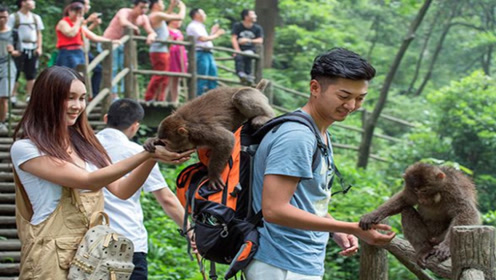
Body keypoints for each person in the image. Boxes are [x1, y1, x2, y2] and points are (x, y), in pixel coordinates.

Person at [10, 66, 193, 279]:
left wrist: (153, 157)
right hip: (51, 257)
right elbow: (88, 181)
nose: (77, 106)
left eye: (82, 98)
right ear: (47, 98)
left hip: (92, 258)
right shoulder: (26, 148)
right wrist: (146, 154)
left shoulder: (87, 144)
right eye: (70, 98)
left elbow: (121, 190)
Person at [244, 48, 396, 280]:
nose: (352, 105)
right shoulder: (297, 136)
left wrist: (334, 226)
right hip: (282, 265)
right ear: (315, 88)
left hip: (296, 261)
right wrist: (351, 227)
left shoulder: (318, 132)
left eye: (360, 98)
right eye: (344, 96)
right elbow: (274, 209)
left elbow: (303, 202)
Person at [96, 98, 189, 279]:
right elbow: (166, 199)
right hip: (128, 241)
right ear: (135, 126)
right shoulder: (138, 153)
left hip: (89, 243)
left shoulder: (82, 148)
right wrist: (190, 231)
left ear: (106, 118)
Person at [103, 0, 157, 98]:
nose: (143, 10)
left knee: (128, 68)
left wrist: (151, 36)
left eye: (146, 8)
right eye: (141, 7)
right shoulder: (124, 11)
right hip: (110, 43)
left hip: (123, 45)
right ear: (135, 6)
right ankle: (112, 95)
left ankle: (126, 94)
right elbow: (123, 22)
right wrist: (135, 28)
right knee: (112, 68)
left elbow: (151, 32)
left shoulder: (143, 18)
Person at [55, 3, 118, 72]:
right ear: (69, 11)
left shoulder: (79, 25)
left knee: (82, 74)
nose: (77, 14)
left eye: (80, 12)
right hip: (67, 52)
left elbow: (94, 37)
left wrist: (111, 41)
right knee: (68, 75)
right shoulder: (63, 22)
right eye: (75, 12)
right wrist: (79, 22)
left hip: (78, 51)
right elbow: (71, 33)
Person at [144, 0, 185, 102]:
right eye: (162, 3)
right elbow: (179, 17)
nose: (163, 5)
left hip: (160, 50)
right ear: (156, 5)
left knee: (163, 75)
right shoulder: (156, 15)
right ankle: (150, 98)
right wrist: (183, 7)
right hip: (159, 50)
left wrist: (171, 6)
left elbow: (166, 15)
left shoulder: (156, 15)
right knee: (160, 75)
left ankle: (158, 98)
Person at [7, 0, 44, 104]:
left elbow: (39, 33)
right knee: (16, 72)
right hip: (19, 48)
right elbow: (8, 33)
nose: (33, 2)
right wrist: (12, 49)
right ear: (23, 2)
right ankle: (13, 95)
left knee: (31, 72)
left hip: (32, 47)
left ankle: (30, 95)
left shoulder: (36, 18)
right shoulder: (14, 17)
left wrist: (39, 47)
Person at [186, 8, 225, 96]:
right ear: (196, 15)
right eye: (203, 13)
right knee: (201, 77)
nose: (205, 15)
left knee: (213, 77)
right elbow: (202, 39)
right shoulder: (193, 26)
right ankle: (197, 100)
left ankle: (212, 100)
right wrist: (216, 35)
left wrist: (212, 33)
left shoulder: (200, 26)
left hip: (207, 53)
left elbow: (205, 39)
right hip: (201, 53)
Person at [71, 0, 104, 98]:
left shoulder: (82, 18)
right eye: (87, 4)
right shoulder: (75, 18)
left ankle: (93, 94)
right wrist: (88, 20)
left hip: (85, 50)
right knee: (78, 74)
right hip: (77, 50)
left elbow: (84, 33)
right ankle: (86, 95)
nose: (89, 7)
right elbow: (76, 31)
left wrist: (93, 24)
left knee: (98, 69)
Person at [231, 9, 263, 84]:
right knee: (238, 56)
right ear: (246, 17)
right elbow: (233, 38)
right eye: (252, 14)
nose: (255, 16)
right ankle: (241, 74)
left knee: (248, 55)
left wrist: (248, 40)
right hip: (239, 49)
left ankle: (248, 75)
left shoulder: (257, 28)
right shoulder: (237, 26)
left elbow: (260, 40)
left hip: (251, 49)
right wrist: (237, 49)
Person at [0, 6, 18, 133]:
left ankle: (2, 122)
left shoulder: (14, 33)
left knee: (3, 97)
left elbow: (19, 51)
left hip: (8, 64)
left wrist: (13, 51)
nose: (2, 19)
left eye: (5, 17)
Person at [167, 18, 187, 104]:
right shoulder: (167, 29)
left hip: (180, 53)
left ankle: (176, 99)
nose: (179, 22)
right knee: (170, 77)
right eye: (177, 20)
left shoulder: (179, 31)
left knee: (178, 78)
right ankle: (166, 99)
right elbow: (168, 43)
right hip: (172, 53)